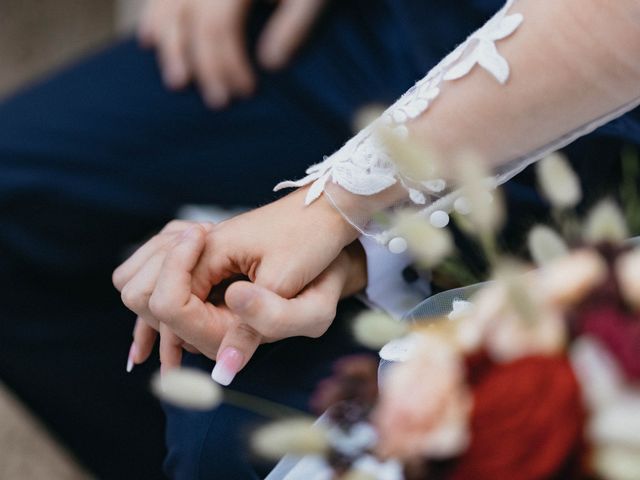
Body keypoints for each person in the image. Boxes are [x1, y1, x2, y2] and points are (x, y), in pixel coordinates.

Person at [114, 0, 640, 477]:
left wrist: (340, 210)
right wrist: (347, 225)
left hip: (583, 157)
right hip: (395, 37)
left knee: (219, 435)